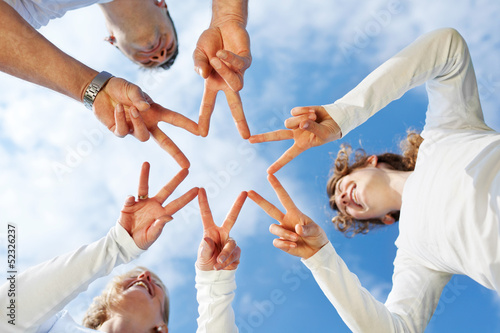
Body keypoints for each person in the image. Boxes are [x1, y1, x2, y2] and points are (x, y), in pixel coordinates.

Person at [249, 28, 500, 332]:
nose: (342, 200)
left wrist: (344, 114)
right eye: (345, 211)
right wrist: (319, 258)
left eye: (341, 185)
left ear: (372, 161)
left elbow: (448, 47)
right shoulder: (414, 252)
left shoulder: (447, 129)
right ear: (383, 220)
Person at [0, 0, 252, 167]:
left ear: (112, 41)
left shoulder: (31, 8)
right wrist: (228, 16)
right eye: (169, 46)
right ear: (161, 3)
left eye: (148, 61)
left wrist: (91, 88)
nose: (159, 55)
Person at [0, 161, 199, 332]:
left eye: (157, 285)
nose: (143, 276)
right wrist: (117, 246)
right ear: (107, 300)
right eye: (135, 275)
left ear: (161, 328)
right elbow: (7, 312)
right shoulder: (54, 327)